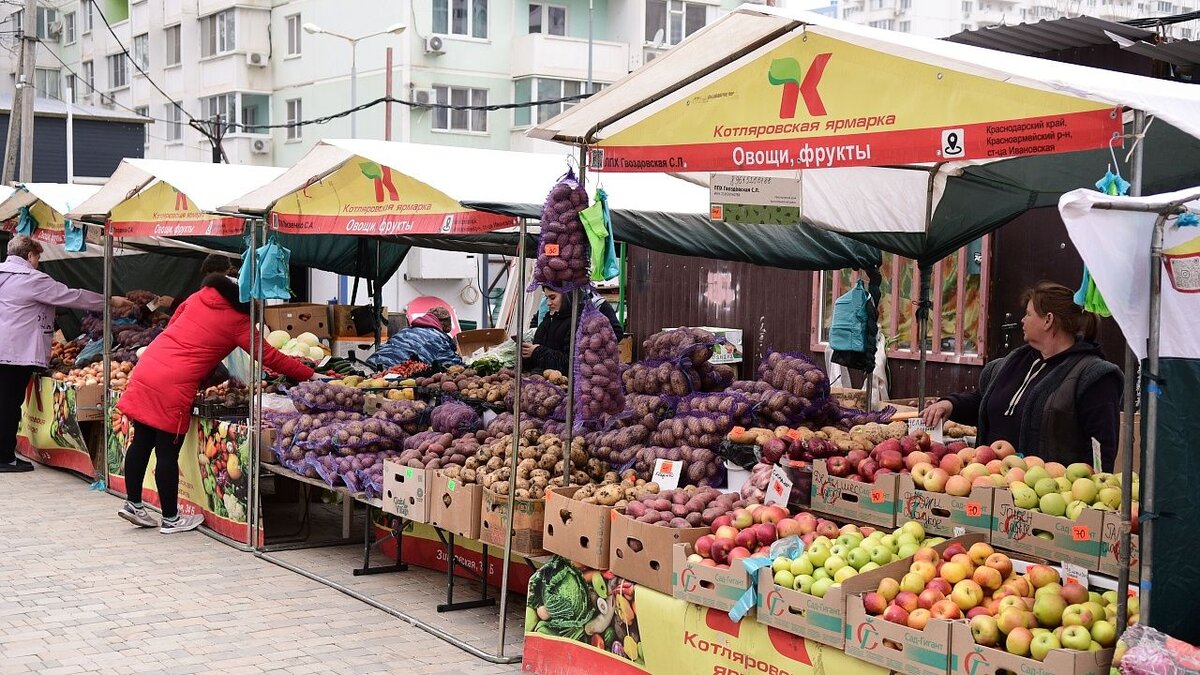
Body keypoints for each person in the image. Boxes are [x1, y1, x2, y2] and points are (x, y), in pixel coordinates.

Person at [115, 272, 316, 533]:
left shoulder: (200, 296)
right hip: (174, 383)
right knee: (166, 450)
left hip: (149, 365)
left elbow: (174, 323)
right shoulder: (238, 320)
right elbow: (269, 357)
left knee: (141, 440)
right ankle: (171, 518)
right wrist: (310, 374)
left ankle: (133, 505)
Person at [920, 281, 1123, 470]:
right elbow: (984, 403)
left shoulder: (1094, 377)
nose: (1022, 320)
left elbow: (1101, 448)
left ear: (1048, 320)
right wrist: (949, 405)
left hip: (1048, 497)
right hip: (991, 484)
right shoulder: (1011, 364)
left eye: (1028, 314)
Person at [0, 236, 134, 473]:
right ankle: (4, 458)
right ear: (30, 256)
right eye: (38, 258)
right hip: (15, 353)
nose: (38, 263)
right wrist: (109, 301)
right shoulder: (32, 279)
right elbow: (73, 296)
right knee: (9, 404)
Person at [523, 288, 622, 373]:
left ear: (567, 295)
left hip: (566, 386)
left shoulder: (580, 321)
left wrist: (537, 351)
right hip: (542, 380)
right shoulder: (549, 318)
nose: (548, 303)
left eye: (552, 298)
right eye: (546, 297)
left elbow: (572, 363)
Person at [365, 306, 462, 371]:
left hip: (369, 367)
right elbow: (453, 366)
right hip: (392, 375)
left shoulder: (406, 330)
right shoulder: (438, 337)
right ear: (443, 324)